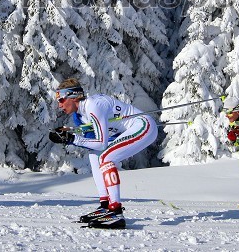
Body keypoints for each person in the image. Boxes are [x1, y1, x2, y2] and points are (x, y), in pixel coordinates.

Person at [49, 78, 158, 229]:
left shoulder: (93, 105)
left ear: (74, 97)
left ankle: (116, 211)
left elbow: (101, 142)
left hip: (143, 125)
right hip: (128, 131)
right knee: (94, 155)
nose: (59, 105)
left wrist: (72, 138)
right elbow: (93, 144)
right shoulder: (79, 116)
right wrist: (69, 135)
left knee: (107, 157)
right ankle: (106, 205)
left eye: (61, 99)